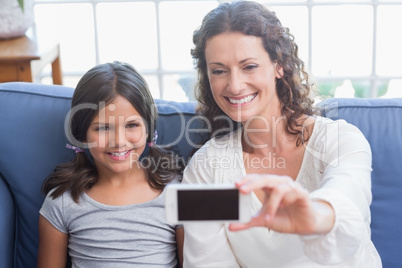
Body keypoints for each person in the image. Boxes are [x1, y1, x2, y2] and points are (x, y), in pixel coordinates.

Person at [182, 1, 382, 267]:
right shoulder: (206, 169)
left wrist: (314, 215)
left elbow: (346, 196)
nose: (234, 84)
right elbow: (207, 262)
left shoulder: (341, 140)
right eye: (219, 71)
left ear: (279, 65)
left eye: (249, 66)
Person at [37, 61, 184, 267]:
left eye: (132, 125)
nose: (119, 141)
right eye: (103, 128)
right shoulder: (62, 201)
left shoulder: (176, 193)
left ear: (149, 129)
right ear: (81, 134)